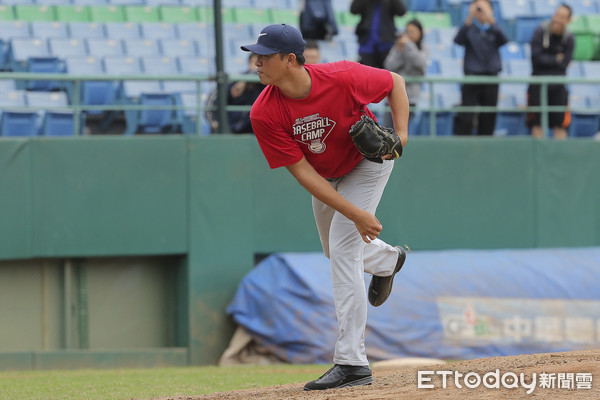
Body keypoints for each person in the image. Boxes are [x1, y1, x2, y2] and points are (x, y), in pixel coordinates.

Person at [241, 24, 409, 391]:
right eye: (255, 55)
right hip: (324, 176)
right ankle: (387, 260)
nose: (256, 62)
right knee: (336, 250)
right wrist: (354, 213)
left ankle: (352, 362)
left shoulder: (342, 76)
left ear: (289, 60)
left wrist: (402, 135)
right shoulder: (264, 112)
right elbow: (302, 173)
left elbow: (395, 82)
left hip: (367, 163)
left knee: (345, 249)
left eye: (264, 56)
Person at [453, 0, 508, 136]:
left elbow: (505, 39)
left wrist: (491, 19)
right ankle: (464, 146)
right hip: (472, 76)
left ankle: (486, 146)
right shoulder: (469, 29)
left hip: (491, 78)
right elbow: (458, 40)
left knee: (488, 117)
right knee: (467, 116)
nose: (481, 12)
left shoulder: (494, 30)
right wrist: (470, 17)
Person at [527, 4, 574, 139]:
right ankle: (537, 159)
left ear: (568, 20)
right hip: (537, 85)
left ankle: (559, 158)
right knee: (538, 124)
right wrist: (556, 59)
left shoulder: (569, 38)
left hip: (558, 87)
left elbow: (565, 63)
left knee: (560, 125)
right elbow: (536, 58)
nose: (558, 19)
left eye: (563, 17)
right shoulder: (540, 32)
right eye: (557, 15)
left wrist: (548, 60)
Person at [383, 19, 428, 129]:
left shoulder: (423, 48)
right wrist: (399, 51)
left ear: (420, 33)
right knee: (387, 131)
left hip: (410, 97)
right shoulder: (399, 47)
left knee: (402, 132)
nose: (409, 35)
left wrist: (409, 45)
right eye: (407, 32)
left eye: (412, 32)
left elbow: (420, 63)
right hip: (392, 95)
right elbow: (389, 66)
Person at [205, 53, 265, 134]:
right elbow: (213, 101)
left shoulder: (266, 85)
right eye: (254, 63)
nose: (256, 67)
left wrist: (246, 79)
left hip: (252, 132)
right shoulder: (235, 81)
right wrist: (214, 122)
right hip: (229, 130)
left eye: (260, 64)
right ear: (249, 64)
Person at [350, 0, 407, 69]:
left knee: (387, 75)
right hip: (367, 44)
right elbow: (353, 10)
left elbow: (401, 11)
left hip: (386, 44)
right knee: (365, 74)